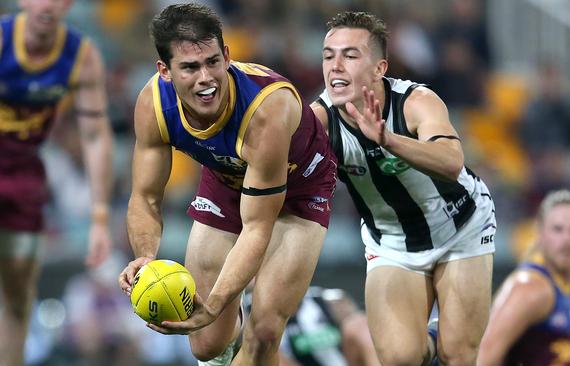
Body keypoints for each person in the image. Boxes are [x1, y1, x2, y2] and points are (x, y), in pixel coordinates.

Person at [117, 4, 337, 366]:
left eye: (213, 62)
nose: (206, 78)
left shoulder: (266, 110)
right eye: (190, 67)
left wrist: (217, 303)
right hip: (227, 180)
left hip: (300, 190)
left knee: (264, 330)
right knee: (205, 344)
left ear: (228, 56)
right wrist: (145, 254)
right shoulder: (153, 104)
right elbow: (145, 197)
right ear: (165, 71)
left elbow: (256, 228)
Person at [311, 11, 496, 366]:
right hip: (392, 241)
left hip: (460, 228)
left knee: (458, 355)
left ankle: (446, 342)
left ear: (380, 68)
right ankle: (431, 340)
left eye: (350, 55)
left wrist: (388, 140)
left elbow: (451, 161)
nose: (335, 66)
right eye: (328, 55)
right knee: (400, 359)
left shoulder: (414, 102)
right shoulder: (318, 121)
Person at [0, 0, 113, 365]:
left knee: (17, 296)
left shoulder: (80, 56)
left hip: (24, 181)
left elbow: (95, 136)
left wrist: (99, 218)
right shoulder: (2, 40)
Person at [477, 189, 570, 365]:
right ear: (540, 234)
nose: (566, 240)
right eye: (557, 229)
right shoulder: (529, 288)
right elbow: (483, 357)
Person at [244, 286, 380, 366]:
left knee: (358, 324)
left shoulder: (329, 300)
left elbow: (363, 336)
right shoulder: (246, 312)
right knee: (260, 346)